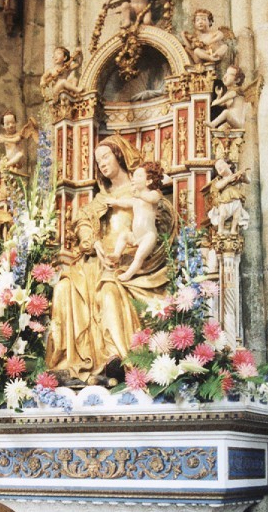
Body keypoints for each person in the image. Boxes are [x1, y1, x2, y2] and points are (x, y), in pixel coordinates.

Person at [46, 135, 178, 383]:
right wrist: (94, 242)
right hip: (98, 260)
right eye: (98, 160)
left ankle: (116, 360)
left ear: (120, 155)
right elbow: (83, 221)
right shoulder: (101, 198)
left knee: (108, 291)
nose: (102, 164)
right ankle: (69, 363)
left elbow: (163, 222)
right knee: (64, 287)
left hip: (131, 262)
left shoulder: (142, 192)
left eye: (106, 156)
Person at [108, 161, 163, 281]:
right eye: (134, 175)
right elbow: (127, 203)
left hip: (148, 236)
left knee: (139, 256)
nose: (133, 178)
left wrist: (140, 195)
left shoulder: (153, 193)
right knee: (124, 235)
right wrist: (116, 202)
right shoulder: (136, 198)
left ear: (149, 181)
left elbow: (152, 199)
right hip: (135, 236)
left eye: (139, 176)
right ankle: (117, 254)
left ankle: (128, 274)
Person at [208, 158, 250, 235]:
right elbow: (218, 186)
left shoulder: (237, 177)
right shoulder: (218, 180)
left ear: (229, 165)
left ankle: (233, 230)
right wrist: (227, 180)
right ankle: (220, 230)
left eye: (221, 164)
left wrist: (244, 175)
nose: (219, 167)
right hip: (224, 201)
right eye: (217, 168)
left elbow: (248, 181)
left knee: (236, 216)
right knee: (222, 215)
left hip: (236, 200)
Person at [0, 111, 38, 176]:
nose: (11, 125)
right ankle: (4, 168)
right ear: (3, 126)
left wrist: (5, 140)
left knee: (20, 154)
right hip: (9, 158)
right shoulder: (3, 136)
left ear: (16, 123)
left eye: (13, 123)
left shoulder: (19, 134)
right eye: (7, 124)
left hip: (19, 160)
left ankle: (6, 165)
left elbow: (16, 140)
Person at [205, 65, 246, 130]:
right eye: (226, 73)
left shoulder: (234, 92)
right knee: (220, 129)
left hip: (238, 122)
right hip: (231, 121)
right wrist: (219, 95)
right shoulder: (230, 93)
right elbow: (220, 104)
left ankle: (213, 124)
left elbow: (216, 103)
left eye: (230, 74)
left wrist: (217, 100)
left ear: (237, 80)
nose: (225, 76)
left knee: (226, 112)